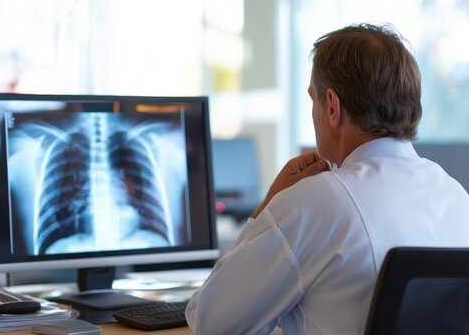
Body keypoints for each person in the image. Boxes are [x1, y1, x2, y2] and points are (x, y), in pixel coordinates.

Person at [185, 23, 469, 334]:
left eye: (313, 99)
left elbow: (209, 322)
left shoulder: (318, 200)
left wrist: (268, 207)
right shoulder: (457, 196)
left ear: (332, 106)